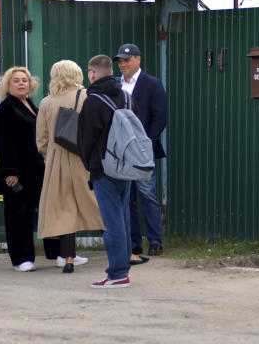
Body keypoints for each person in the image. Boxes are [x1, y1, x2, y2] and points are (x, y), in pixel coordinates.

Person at [35, 59, 105, 273]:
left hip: (57, 162)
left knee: (64, 211)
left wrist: (51, 157)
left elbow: (41, 140)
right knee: (98, 206)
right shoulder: (88, 98)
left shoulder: (47, 102)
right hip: (84, 160)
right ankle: (119, 251)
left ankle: (68, 259)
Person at [77, 54, 135, 288]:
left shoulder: (92, 101)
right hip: (127, 167)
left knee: (112, 223)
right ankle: (124, 268)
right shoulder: (127, 97)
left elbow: (85, 140)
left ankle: (118, 274)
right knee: (124, 219)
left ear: (92, 74)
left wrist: (89, 165)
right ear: (111, 71)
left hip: (104, 169)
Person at [114, 43, 168, 258]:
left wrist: (146, 142)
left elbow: (160, 116)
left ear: (138, 60)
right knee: (127, 199)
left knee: (148, 194)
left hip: (143, 151)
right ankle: (134, 243)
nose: (123, 64)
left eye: (127, 60)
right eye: (120, 61)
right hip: (120, 152)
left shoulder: (152, 84)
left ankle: (155, 241)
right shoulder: (115, 86)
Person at [0, 66, 45, 272]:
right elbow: (4, 143)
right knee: (18, 215)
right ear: (8, 85)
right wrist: (10, 172)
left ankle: (56, 254)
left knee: (35, 212)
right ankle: (21, 259)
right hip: (18, 174)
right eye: (16, 80)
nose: (22, 83)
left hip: (35, 171)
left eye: (24, 79)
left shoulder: (30, 104)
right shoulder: (6, 109)